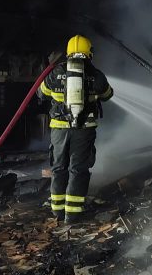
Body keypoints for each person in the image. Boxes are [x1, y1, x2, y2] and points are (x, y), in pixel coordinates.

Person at [38, 35, 113, 223]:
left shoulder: (56, 72)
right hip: (84, 129)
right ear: (89, 52)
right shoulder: (96, 75)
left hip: (59, 130)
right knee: (78, 169)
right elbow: (108, 94)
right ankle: (73, 214)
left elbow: (42, 93)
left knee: (58, 167)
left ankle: (57, 210)